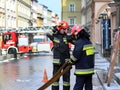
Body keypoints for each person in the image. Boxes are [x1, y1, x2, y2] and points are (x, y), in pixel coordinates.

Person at [46, 20, 73, 90]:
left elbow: (76, 41)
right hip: (57, 63)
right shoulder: (54, 36)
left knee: (66, 81)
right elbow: (47, 33)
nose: (65, 31)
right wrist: (54, 28)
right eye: (64, 29)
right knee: (55, 81)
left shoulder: (67, 37)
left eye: (66, 29)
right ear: (60, 28)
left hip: (66, 63)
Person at [68, 26, 95, 90]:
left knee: (78, 87)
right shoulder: (88, 42)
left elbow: (75, 57)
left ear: (77, 34)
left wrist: (70, 62)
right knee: (89, 87)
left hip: (81, 71)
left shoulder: (79, 43)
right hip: (90, 70)